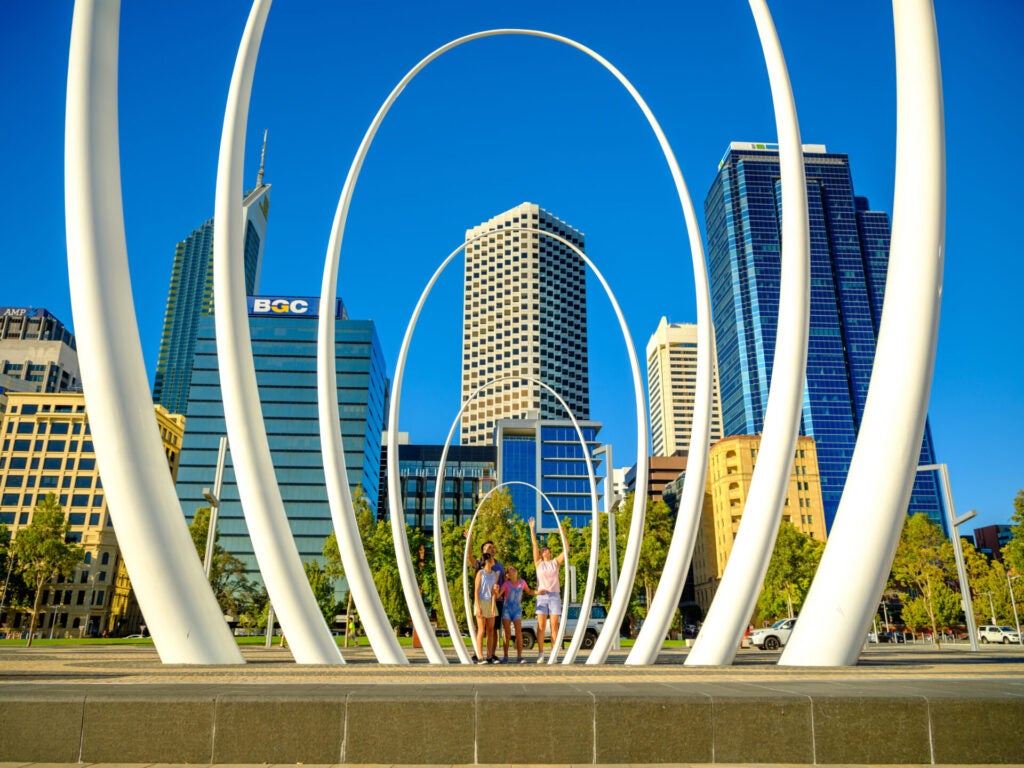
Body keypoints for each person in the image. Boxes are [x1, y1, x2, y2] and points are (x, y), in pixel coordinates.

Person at [529, 516, 567, 663]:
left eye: (547, 550)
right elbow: (534, 545)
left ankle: (554, 653)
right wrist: (532, 529)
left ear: (549, 553)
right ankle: (540, 653)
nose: (545, 551)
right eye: (543, 550)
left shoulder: (555, 563)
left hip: (555, 596)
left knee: (554, 626)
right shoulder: (538, 563)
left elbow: (566, 549)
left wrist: (562, 533)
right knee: (541, 626)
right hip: (542, 596)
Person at [466, 530, 505, 661]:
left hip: (495, 599)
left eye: (492, 547)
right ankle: (479, 654)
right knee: (481, 629)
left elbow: (502, 582)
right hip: (482, 600)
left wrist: (500, 592)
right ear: (483, 551)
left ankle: (491, 654)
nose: (491, 549)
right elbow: (468, 556)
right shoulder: (479, 566)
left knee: (493, 630)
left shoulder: (499, 566)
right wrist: (470, 540)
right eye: (488, 547)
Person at [499, 565, 536, 663]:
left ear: (517, 572)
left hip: (517, 610)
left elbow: (529, 591)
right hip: (507, 610)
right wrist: (494, 590)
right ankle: (505, 656)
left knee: (519, 633)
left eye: (514, 569)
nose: (513, 571)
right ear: (508, 575)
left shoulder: (522, 583)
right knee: (507, 634)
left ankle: (519, 657)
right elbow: (498, 594)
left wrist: (538, 592)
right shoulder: (506, 584)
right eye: (511, 570)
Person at [473, 553, 500, 664]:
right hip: (481, 601)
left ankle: (489, 656)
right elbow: (476, 590)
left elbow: (494, 593)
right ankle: (480, 656)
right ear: (488, 560)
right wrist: (478, 607)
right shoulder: (480, 573)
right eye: (492, 558)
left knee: (490, 630)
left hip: (490, 602)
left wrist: (493, 607)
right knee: (481, 630)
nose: (494, 560)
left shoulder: (495, 574)